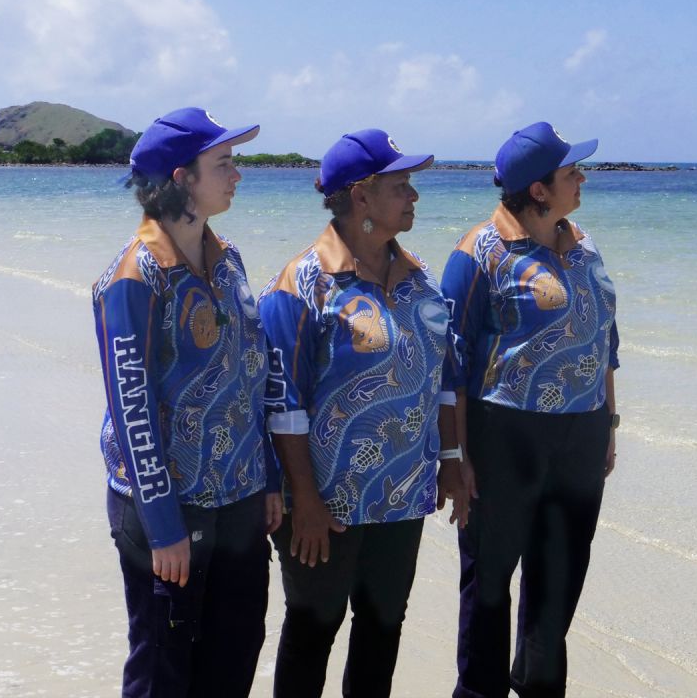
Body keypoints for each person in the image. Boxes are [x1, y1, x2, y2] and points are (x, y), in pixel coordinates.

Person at [259, 129, 468, 697]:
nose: (413, 197)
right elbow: (283, 403)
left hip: (401, 494)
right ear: (360, 197)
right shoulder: (301, 284)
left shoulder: (418, 278)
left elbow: (444, 378)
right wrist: (303, 498)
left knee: (383, 629)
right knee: (313, 629)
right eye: (400, 186)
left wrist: (452, 457)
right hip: (326, 502)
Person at [92, 107, 282, 697]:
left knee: (233, 657)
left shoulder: (227, 259)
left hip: (241, 497)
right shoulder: (135, 276)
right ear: (180, 179)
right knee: (163, 672)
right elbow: (132, 410)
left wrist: (270, 473)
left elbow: (253, 368)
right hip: (170, 511)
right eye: (223, 163)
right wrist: (164, 524)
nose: (237, 175)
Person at [443, 121, 620, 697]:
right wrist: (457, 454)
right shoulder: (479, 254)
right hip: (505, 436)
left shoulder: (583, 242)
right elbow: (454, 366)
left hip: (582, 435)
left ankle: (541, 686)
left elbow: (605, 338)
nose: (582, 178)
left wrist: (609, 423)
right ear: (538, 190)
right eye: (571, 172)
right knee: (490, 579)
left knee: (560, 578)